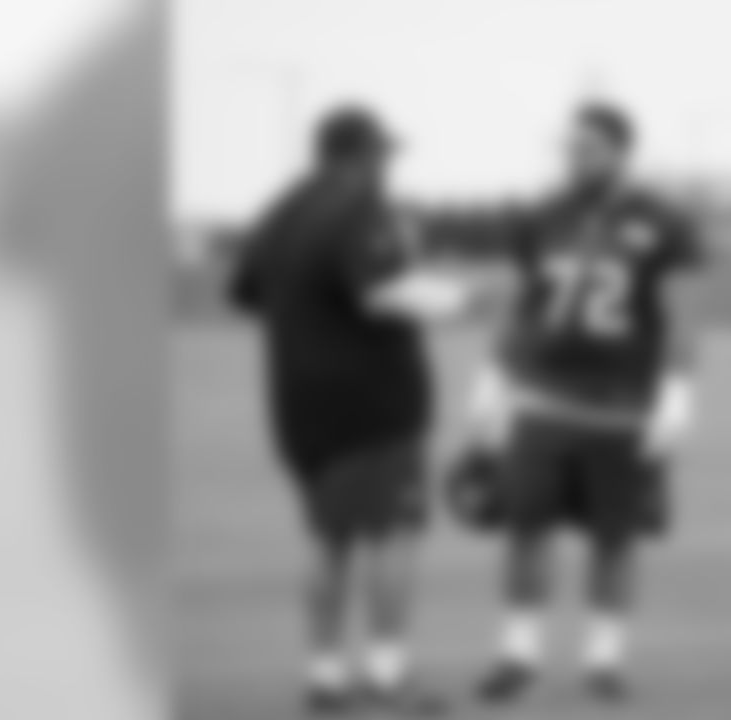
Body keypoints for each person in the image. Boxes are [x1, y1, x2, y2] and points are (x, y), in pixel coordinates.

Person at [452, 103, 706, 704]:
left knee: (614, 538)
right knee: (524, 528)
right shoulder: (543, 213)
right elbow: (526, 302)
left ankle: (604, 660)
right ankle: (517, 655)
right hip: (542, 398)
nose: (574, 156)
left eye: (588, 146)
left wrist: (677, 390)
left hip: (622, 404)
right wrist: (493, 372)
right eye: (569, 145)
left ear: (621, 151)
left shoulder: (663, 220)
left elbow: (682, 312)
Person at [229, 106, 469, 716]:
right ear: (362, 154)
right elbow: (380, 291)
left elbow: (243, 292)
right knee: (392, 533)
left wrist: (311, 325)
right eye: (384, 153)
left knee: (328, 536)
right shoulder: (361, 205)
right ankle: (387, 676)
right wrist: (460, 300)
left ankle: (324, 675)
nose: (389, 165)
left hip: (297, 403)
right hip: (372, 403)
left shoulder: (282, 207)